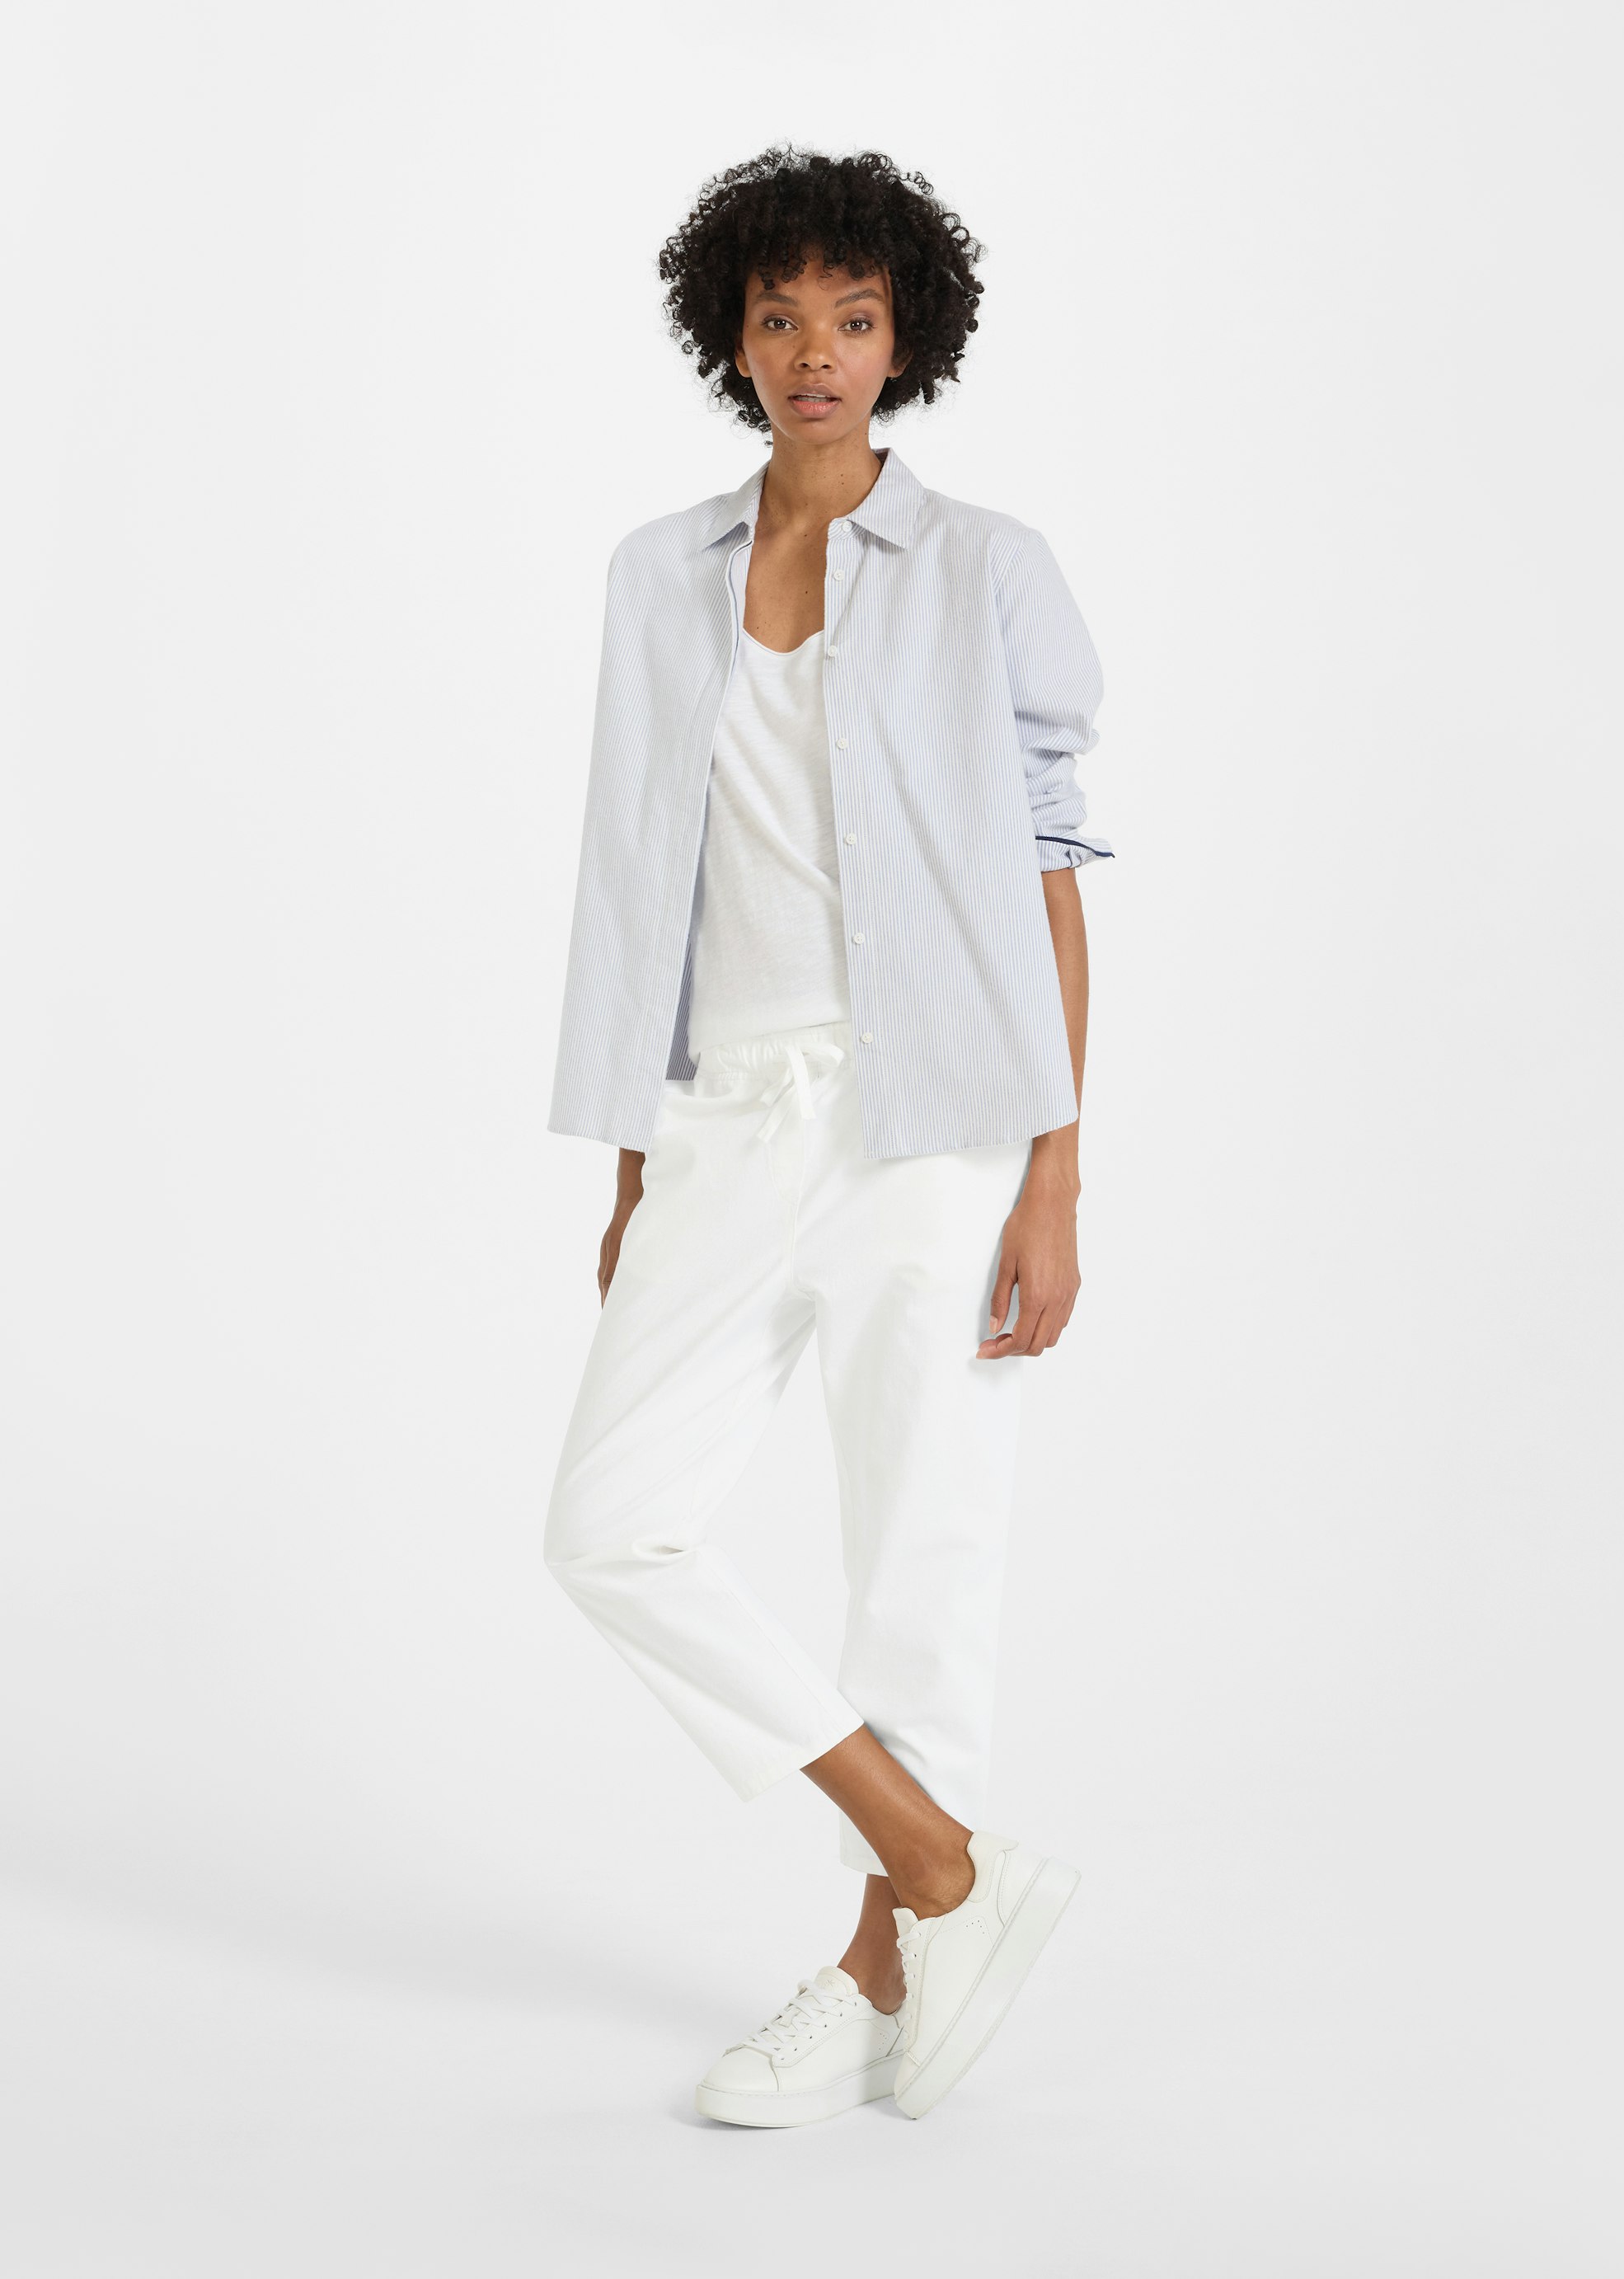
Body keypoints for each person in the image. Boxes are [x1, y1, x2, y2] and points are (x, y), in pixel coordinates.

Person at [542, 147, 1110, 2127]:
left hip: (935, 1121)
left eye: (851, 318)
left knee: (919, 1563)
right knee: (608, 1522)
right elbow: (638, 873)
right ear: (730, 335)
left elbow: (1047, 876)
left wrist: (1053, 1169)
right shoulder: (655, 573)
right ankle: (948, 1866)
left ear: (903, 340)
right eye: (778, 315)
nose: (813, 352)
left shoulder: (986, 568)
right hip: (728, 1112)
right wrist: (635, 1150)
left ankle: (881, 1967)